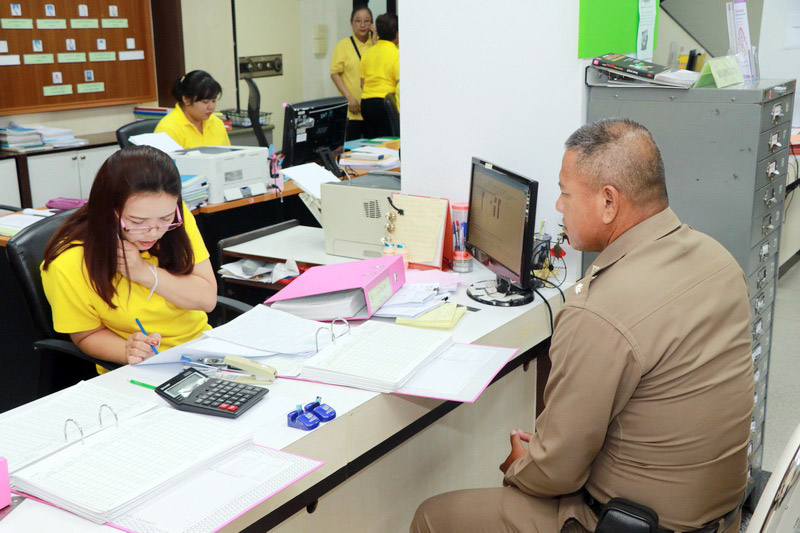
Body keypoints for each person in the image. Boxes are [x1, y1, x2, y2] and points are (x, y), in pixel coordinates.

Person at [411, 119, 754, 532]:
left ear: (608, 202)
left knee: (433, 516)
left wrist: (521, 465)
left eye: (565, 193)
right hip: (719, 516)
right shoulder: (717, 259)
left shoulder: (600, 311)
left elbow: (556, 474)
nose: (559, 206)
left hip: (628, 522)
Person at [41, 146, 217, 370]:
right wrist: (127, 350)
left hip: (203, 351)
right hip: (140, 368)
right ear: (107, 210)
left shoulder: (175, 218)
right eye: (137, 222)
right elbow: (86, 335)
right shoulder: (68, 262)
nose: (154, 232)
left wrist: (144, 273)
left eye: (165, 218)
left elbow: (206, 299)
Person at [330, 4, 376, 141]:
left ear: (372, 23)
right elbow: (335, 73)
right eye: (358, 21)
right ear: (351, 23)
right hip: (353, 110)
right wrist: (349, 98)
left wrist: (375, 43)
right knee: (352, 148)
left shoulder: (377, 44)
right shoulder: (343, 45)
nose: (362, 25)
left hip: (374, 109)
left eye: (366, 21)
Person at [155, 70, 231, 149]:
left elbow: (228, 154)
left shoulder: (216, 123)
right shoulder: (168, 129)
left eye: (213, 101)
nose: (211, 107)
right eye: (205, 102)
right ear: (186, 99)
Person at [360, 12, 399, 139]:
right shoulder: (397, 54)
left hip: (366, 104)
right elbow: (400, 83)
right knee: (389, 143)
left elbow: (362, 83)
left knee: (372, 143)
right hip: (386, 104)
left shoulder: (368, 53)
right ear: (397, 34)